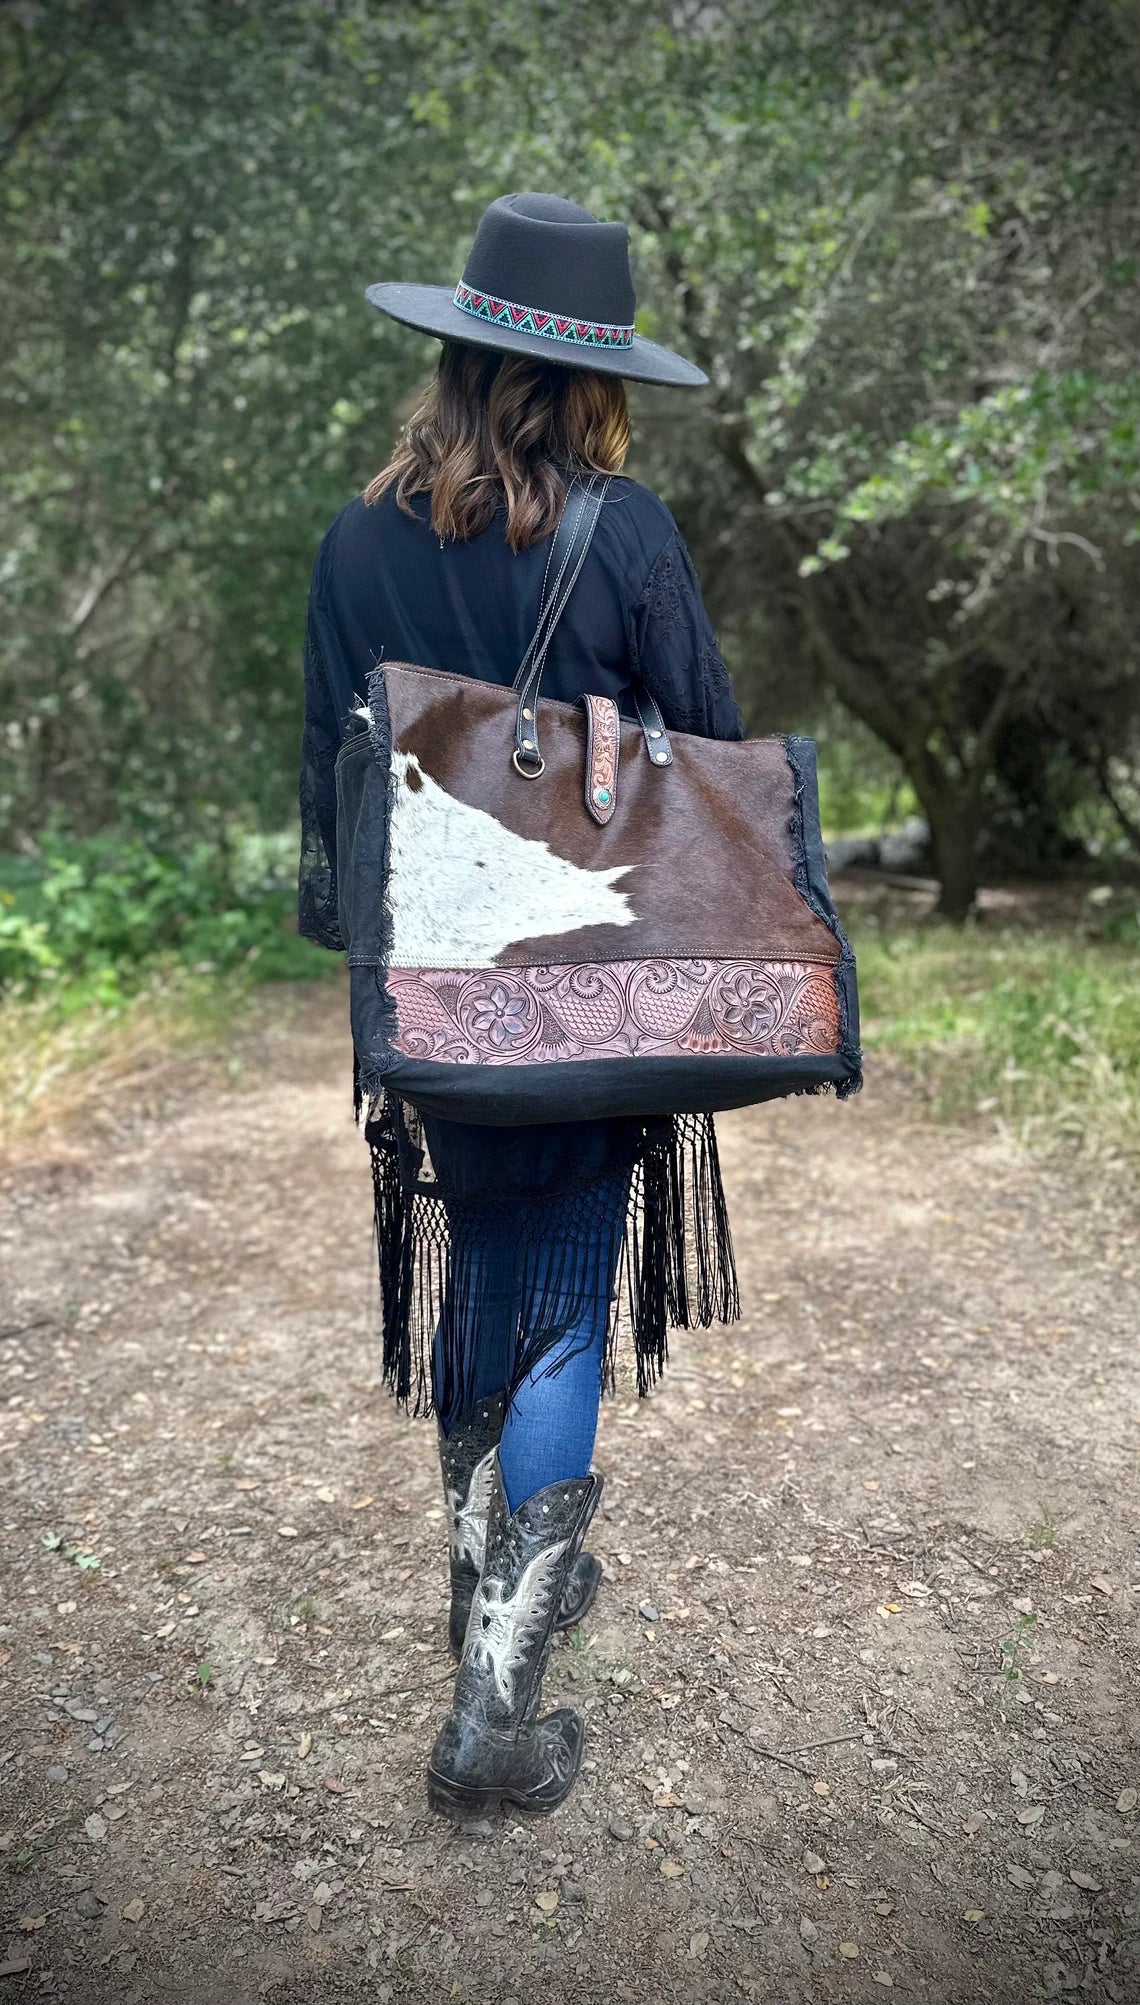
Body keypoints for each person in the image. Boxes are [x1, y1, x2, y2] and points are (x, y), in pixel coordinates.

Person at [298, 192, 744, 1820]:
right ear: (593, 382)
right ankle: (494, 1710)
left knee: (487, 1265)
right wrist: (617, 729)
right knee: (560, 1287)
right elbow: (710, 757)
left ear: (457, 353)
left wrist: (374, 976)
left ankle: (498, 1600)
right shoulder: (625, 533)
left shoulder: (355, 538)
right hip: (589, 985)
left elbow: (330, 788)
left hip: (430, 990)